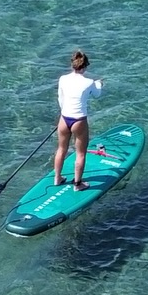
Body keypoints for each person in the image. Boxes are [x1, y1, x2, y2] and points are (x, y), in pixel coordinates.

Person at [54, 49, 102, 191]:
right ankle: (78, 184)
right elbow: (97, 94)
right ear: (85, 66)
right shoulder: (89, 82)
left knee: (61, 149)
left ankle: (57, 178)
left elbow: (60, 99)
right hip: (79, 121)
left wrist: (64, 113)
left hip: (64, 119)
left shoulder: (63, 79)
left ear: (72, 65)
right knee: (80, 153)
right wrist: (99, 84)